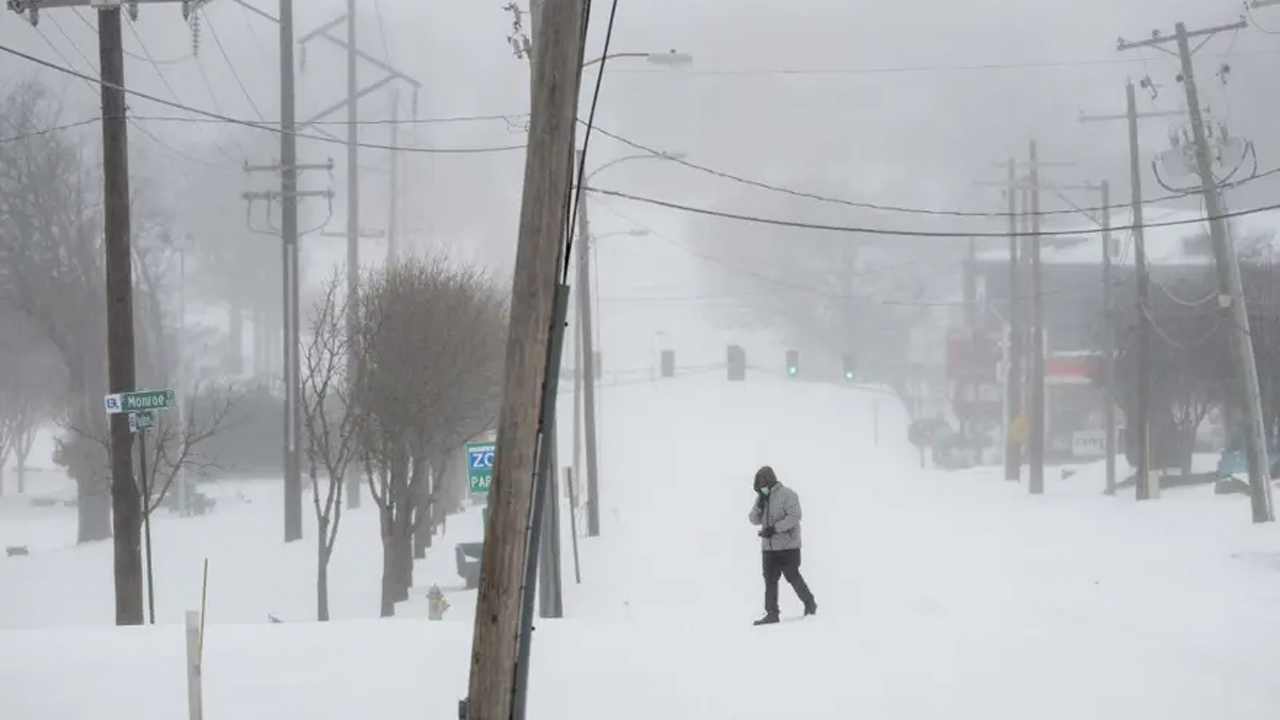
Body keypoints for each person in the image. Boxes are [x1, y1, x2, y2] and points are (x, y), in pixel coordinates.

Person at [748, 465, 816, 625]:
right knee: (769, 580)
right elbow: (753, 520)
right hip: (768, 549)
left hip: (788, 547)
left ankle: (810, 604)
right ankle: (772, 613)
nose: (761, 487)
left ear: (771, 480)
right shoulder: (761, 498)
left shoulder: (788, 495)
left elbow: (795, 516)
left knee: (792, 576)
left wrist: (775, 529)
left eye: (763, 484)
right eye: (759, 485)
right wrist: (759, 507)